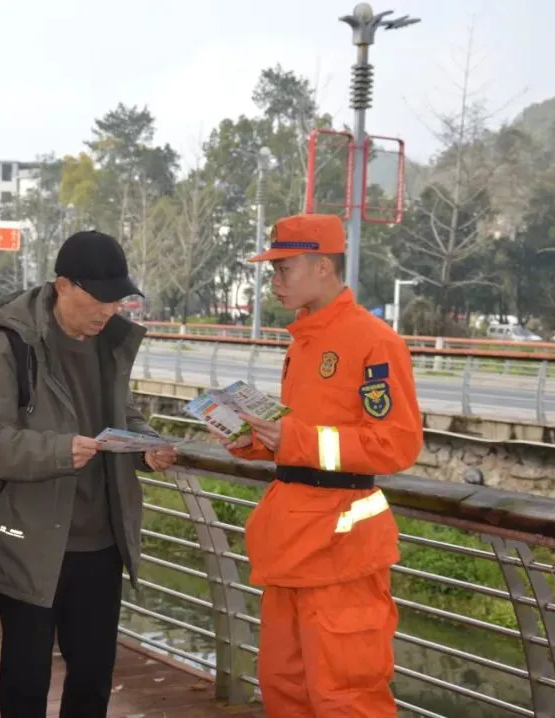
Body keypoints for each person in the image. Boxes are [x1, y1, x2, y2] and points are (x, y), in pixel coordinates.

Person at [0, 230, 178, 718]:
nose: (110, 311)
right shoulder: (11, 343)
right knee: (26, 680)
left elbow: (121, 414)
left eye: (118, 300)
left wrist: (145, 445)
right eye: (100, 299)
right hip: (30, 540)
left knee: (92, 679)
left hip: (101, 543)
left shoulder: (110, 342)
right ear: (63, 285)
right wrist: (60, 451)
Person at [224, 214, 423, 717]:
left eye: (283, 269)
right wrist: (254, 440)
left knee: (345, 698)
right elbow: (306, 436)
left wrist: (294, 439)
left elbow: (396, 444)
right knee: (284, 688)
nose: (275, 281)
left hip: (340, 552)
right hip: (290, 544)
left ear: (322, 266)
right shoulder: (304, 341)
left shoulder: (374, 341)